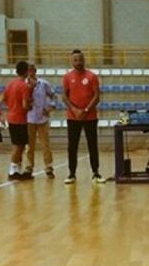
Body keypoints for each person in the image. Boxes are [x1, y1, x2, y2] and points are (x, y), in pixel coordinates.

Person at [62, 49, 104, 184]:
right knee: (72, 146)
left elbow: (97, 96)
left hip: (90, 117)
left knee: (92, 144)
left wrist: (85, 110)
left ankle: (96, 173)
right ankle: (72, 174)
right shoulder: (67, 77)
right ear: (71, 61)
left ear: (84, 60)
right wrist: (75, 110)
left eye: (80, 59)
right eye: (75, 60)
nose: (78, 62)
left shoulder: (92, 76)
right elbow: (64, 96)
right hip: (73, 117)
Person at [24, 64, 56, 178]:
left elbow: (53, 95)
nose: (30, 72)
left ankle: (48, 166)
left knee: (45, 144)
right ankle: (29, 166)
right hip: (29, 119)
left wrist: (50, 107)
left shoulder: (44, 83)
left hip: (43, 118)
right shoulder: (23, 84)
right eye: (28, 70)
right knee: (29, 145)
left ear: (35, 71)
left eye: (32, 70)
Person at [2, 61, 32, 180]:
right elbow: (25, 105)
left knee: (19, 145)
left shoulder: (10, 84)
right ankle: (12, 169)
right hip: (19, 118)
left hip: (11, 116)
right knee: (18, 146)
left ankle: (17, 169)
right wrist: (30, 105)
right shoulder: (24, 86)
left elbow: (3, 98)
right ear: (26, 71)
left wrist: (12, 105)